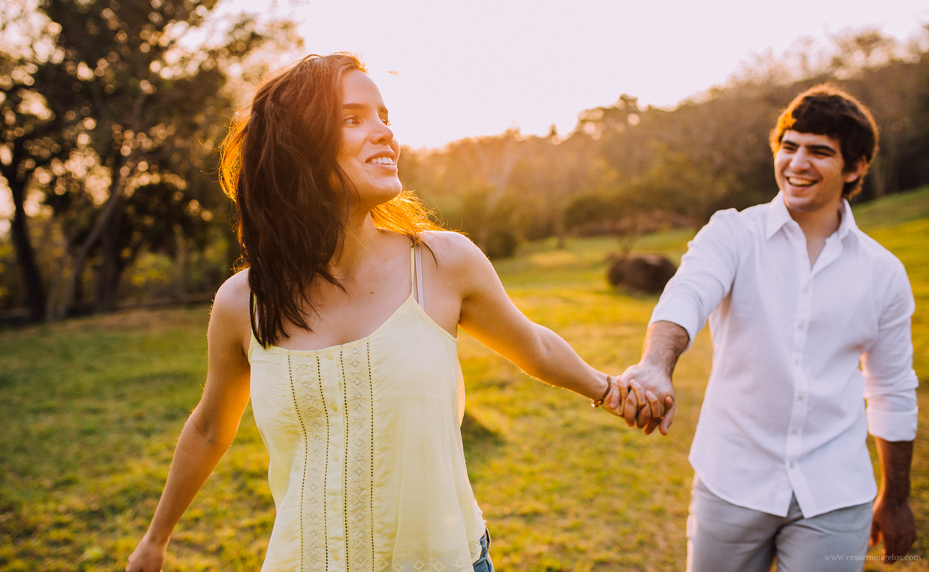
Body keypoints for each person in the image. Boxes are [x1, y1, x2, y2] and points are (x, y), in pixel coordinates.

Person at [125, 53, 645, 572]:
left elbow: (534, 346)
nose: (384, 135)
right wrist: (154, 541)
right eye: (353, 119)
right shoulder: (244, 303)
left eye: (385, 118)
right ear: (296, 149)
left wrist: (611, 390)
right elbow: (210, 428)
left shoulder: (443, 263)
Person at [607, 85, 918, 571]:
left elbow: (893, 389)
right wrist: (655, 362)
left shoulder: (883, 273)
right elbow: (687, 294)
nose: (797, 163)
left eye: (820, 152)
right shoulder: (731, 233)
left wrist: (896, 499)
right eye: (789, 146)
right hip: (730, 480)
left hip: (836, 494)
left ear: (855, 168)